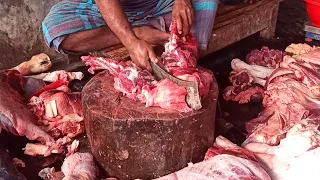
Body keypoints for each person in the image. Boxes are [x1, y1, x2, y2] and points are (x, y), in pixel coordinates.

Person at [42, 0, 218, 71]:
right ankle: (141, 31)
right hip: (113, 8)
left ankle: (185, 64)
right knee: (56, 27)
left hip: (160, 3)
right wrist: (131, 40)